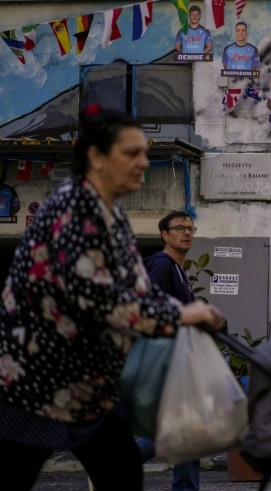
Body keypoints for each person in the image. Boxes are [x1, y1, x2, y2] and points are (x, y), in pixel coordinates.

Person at [0, 106, 224, 491]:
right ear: (97, 157)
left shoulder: (110, 213)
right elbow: (97, 299)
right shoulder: (76, 208)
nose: (142, 162)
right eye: (131, 153)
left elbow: (135, 289)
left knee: (121, 471)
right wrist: (180, 317)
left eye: (143, 152)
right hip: (39, 381)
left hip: (86, 383)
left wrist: (185, 309)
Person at [143, 211, 202, 491]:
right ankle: (111, 457)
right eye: (179, 228)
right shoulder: (161, 264)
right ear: (165, 234)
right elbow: (149, 309)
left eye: (191, 228)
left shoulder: (179, 270)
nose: (187, 232)